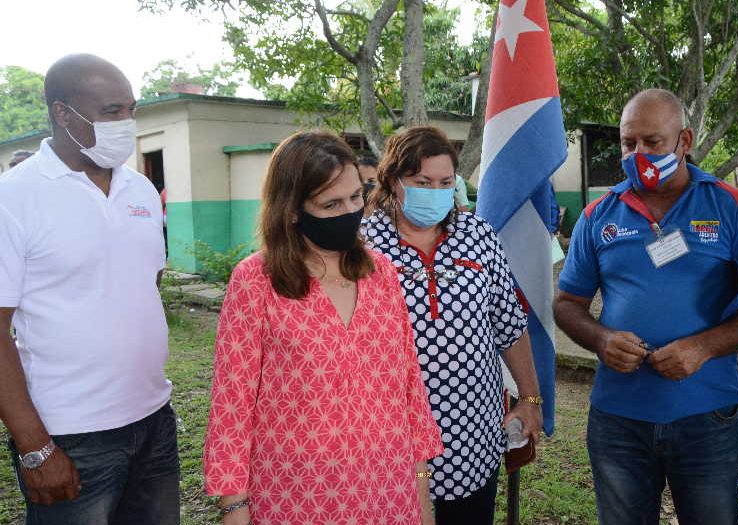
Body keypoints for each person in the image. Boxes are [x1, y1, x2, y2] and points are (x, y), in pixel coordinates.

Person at [554, 88, 738, 525]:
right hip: (619, 421)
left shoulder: (732, 207)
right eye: (629, 143)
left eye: (653, 142)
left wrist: (702, 347)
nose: (638, 153)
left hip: (706, 418)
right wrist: (601, 339)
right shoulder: (598, 216)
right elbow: (567, 303)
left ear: (684, 141)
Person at [203, 131, 443, 525]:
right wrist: (234, 507)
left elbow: (408, 387)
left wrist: (421, 490)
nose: (350, 212)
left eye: (355, 198)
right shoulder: (255, 281)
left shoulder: (382, 273)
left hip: (387, 490)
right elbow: (232, 404)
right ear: (293, 210)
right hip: (295, 496)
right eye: (330, 204)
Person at [0, 54, 179, 524]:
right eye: (111, 111)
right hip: (70, 437)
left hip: (154, 419)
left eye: (131, 110)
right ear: (62, 113)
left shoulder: (140, 189)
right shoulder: (14, 198)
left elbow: (144, 287)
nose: (126, 123)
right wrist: (35, 448)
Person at [362, 126, 543, 524]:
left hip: (471, 432)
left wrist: (530, 398)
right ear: (393, 180)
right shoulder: (362, 245)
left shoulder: (477, 235)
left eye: (445, 182)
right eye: (422, 182)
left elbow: (509, 323)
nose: (435, 192)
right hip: (390, 434)